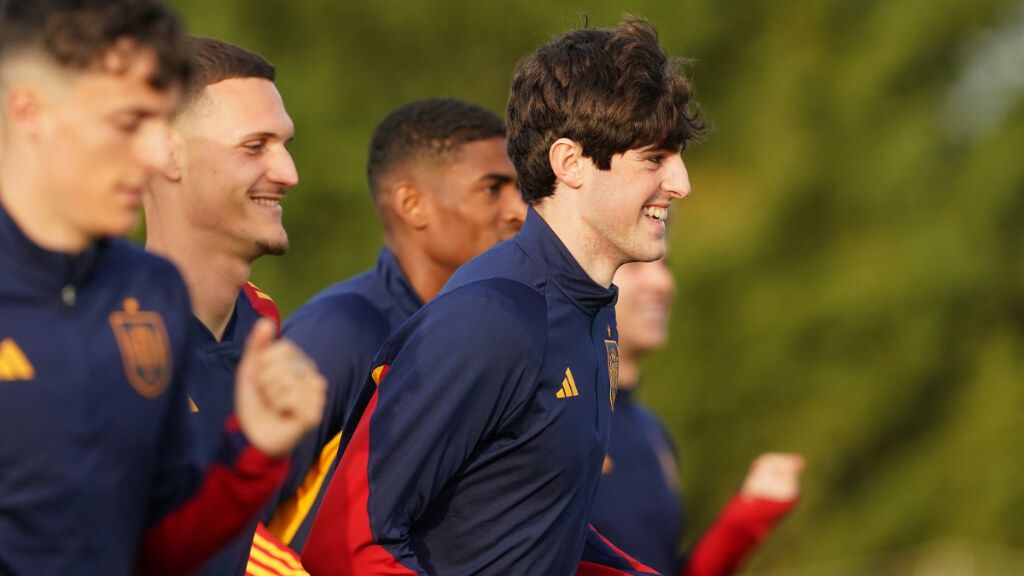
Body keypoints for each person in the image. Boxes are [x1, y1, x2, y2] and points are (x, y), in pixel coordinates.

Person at [302, 16, 706, 575]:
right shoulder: (492, 317)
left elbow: (539, 522)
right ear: (570, 163)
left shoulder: (593, 312)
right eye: (655, 158)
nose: (681, 182)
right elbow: (345, 544)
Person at [0, 2, 321, 574]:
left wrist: (253, 453)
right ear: (30, 113)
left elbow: (156, 549)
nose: (153, 154)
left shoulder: (149, 291)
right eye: (128, 123)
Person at [266, 97, 525, 550]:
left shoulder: (498, 338)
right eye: (492, 188)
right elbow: (235, 524)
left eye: (519, 189)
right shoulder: (339, 331)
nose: (519, 210)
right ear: (412, 204)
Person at [143, 36, 324, 575]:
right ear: (166, 153)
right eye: (255, 146)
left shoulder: (262, 322)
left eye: (285, 144)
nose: (288, 172)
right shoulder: (91, 337)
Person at [590, 259, 804, 575]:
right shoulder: (552, 420)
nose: (662, 283)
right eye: (635, 266)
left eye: (667, 266)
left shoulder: (651, 429)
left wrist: (745, 521)